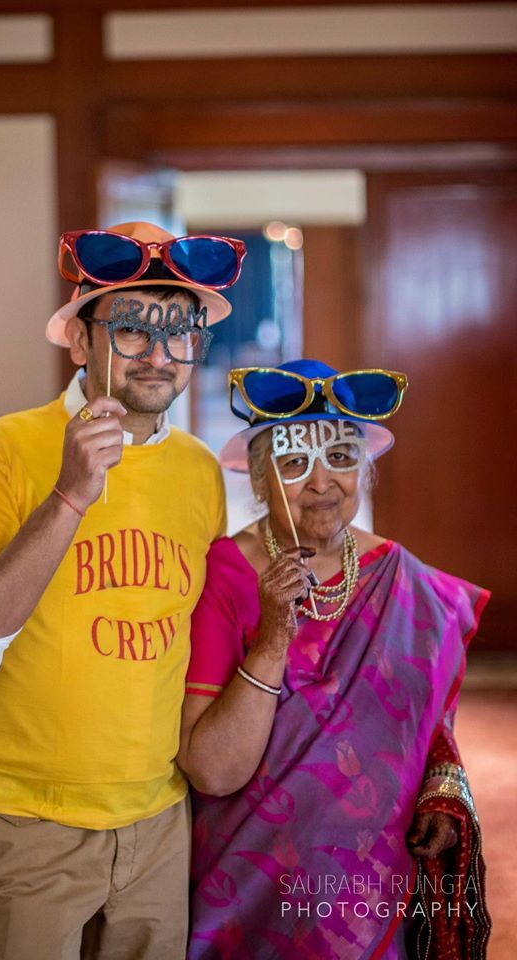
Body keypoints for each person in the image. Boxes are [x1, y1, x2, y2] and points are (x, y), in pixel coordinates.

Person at [0, 222, 247, 960]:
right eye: (132, 329)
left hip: (158, 822)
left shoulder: (198, 471)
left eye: (179, 330)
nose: (159, 355)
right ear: (78, 341)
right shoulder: (2, 449)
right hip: (22, 821)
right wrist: (69, 496)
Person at [179, 359, 491, 960]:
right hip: (253, 880)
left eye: (341, 459)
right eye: (295, 463)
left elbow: (429, 719)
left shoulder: (405, 578)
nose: (322, 482)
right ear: (263, 480)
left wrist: (444, 788)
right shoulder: (228, 569)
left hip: (373, 878)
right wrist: (273, 637)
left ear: (364, 472)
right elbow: (212, 770)